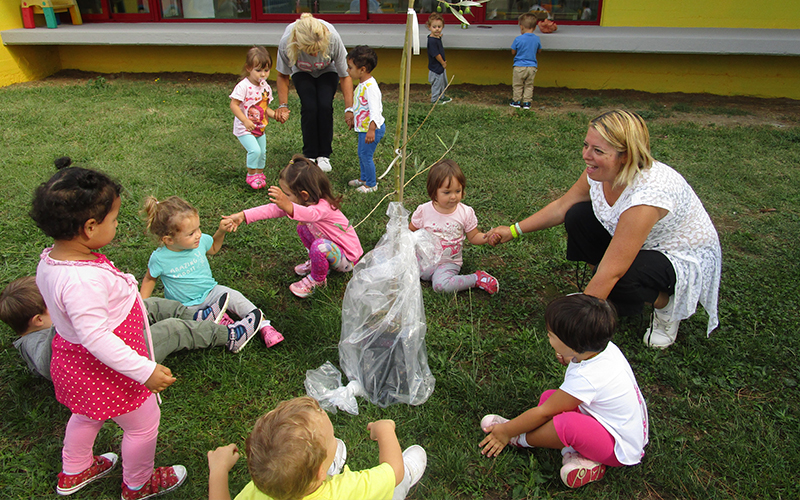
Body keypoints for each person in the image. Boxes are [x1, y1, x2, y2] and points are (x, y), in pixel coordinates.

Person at [488, 110, 721, 348]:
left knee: (620, 276)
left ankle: (666, 305)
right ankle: (600, 298)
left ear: (625, 156)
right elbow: (562, 206)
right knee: (577, 215)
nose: (586, 156)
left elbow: (613, 271)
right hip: (638, 240)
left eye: (598, 151)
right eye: (586, 145)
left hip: (678, 254)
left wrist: (573, 326)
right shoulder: (598, 170)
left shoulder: (647, 197)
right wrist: (513, 229)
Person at [29, 162, 186, 499]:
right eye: (113, 220)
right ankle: (138, 483)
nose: (116, 225)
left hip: (74, 363)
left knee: (86, 414)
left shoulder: (52, 260)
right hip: (108, 369)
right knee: (143, 424)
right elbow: (97, 337)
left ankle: (74, 470)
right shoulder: (81, 281)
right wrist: (144, 371)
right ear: (89, 227)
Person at [479, 294, 649, 489]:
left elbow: (545, 412)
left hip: (619, 447)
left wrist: (506, 432)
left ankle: (520, 439)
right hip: (615, 425)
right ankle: (580, 458)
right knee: (549, 398)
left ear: (572, 345)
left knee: (565, 423)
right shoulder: (603, 349)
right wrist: (570, 357)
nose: (548, 337)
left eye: (551, 335)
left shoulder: (588, 377)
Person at [0, 277, 260, 381]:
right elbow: (48, 364)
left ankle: (198, 316)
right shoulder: (33, 344)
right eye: (52, 309)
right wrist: (65, 319)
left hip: (111, 344)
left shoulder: (42, 329)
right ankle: (230, 337)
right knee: (172, 330)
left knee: (148, 305)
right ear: (37, 320)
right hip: (118, 365)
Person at [206, 396, 427, 500]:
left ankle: (328, 460)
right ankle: (409, 477)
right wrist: (385, 429)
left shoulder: (256, 493)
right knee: (393, 488)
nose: (335, 439)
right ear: (319, 473)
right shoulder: (345, 492)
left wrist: (218, 470)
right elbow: (392, 470)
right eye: (332, 439)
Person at [140, 196, 283, 351]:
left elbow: (213, 247)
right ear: (169, 240)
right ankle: (227, 327)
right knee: (190, 326)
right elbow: (149, 279)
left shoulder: (199, 242)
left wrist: (221, 231)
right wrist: (142, 305)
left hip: (211, 292)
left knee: (235, 297)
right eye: (191, 233)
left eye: (198, 228)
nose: (198, 235)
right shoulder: (160, 258)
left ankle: (264, 325)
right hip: (184, 306)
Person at [223, 155, 363, 299]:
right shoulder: (304, 203)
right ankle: (317, 263)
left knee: (319, 246)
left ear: (304, 195)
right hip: (334, 250)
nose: (284, 198)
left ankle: (318, 280)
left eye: (287, 194)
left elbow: (309, 215)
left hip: (348, 259)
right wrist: (243, 215)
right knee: (302, 227)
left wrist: (288, 205)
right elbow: (272, 209)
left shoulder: (323, 207)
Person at [274, 13, 354, 173]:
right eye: (309, 51)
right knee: (309, 107)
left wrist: (349, 109)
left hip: (327, 70)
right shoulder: (286, 42)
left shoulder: (333, 38)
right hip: (301, 71)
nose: (313, 55)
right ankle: (309, 155)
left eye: (317, 50)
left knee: (324, 106)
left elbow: (345, 76)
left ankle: (324, 155)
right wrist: (283, 105)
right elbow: (283, 75)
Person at [409, 159, 500, 295]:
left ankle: (477, 278)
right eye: (447, 192)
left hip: (448, 262)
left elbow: (474, 236)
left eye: (457, 191)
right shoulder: (424, 211)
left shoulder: (465, 213)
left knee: (441, 286)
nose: (453, 197)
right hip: (424, 258)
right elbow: (410, 232)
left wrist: (487, 238)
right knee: (401, 270)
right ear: (433, 192)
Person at [230, 46, 276, 190]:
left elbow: (264, 107)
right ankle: (251, 175)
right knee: (254, 151)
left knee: (262, 152)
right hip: (244, 128)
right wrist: (245, 120)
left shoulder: (265, 87)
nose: (262, 74)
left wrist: (275, 115)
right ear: (248, 68)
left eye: (266, 70)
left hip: (259, 127)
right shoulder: (243, 86)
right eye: (258, 70)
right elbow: (234, 105)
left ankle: (259, 174)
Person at [345, 45, 386, 194]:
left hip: (372, 129)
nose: (348, 71)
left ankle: (371, 184)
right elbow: (361, 106)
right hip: (364, 128)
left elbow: (375, 110)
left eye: (350, 68)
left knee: (366, 155)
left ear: (362, 69)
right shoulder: (363, 85)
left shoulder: (370, 87)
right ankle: (364, 178)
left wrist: (371, 129)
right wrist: (354, 117)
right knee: (361, 153)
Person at [510, 12, 542, 110]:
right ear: (535, 27)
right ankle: (527, 103)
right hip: (532, 67)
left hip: (519, 66)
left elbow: (513, 51)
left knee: (518, 85)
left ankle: (517, 101)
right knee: (529, 85)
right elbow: (539, 50)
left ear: (521, 27)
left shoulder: (518, 39)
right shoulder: (537, 39)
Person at [426, 13, 451, 105]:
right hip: (436, 67)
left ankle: (442, 96)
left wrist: (439, 37)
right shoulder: (432, 41)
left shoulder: (436, 37)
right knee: (437, 84)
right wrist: (443, 62)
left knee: (443, 82)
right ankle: (435, 99)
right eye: (434, 27)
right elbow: (436, 54)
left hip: (440, 67)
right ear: (429, 27)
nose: (437, 29)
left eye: (439, 27)